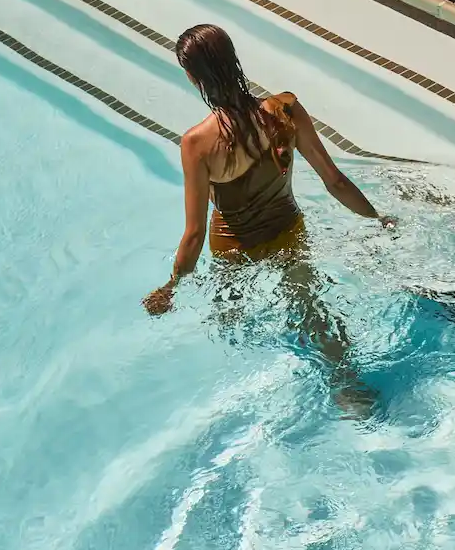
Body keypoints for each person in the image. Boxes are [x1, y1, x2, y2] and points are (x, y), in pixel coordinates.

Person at [143, 24, 391, 413]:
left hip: (234, 253)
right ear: (233, 60)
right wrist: (378, 218)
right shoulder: (285, 110)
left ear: (193, 77)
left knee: (231, 324)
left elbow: (193, 235)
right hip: (288, 233)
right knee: (310, 310)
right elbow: (335, 181)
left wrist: (171, 287)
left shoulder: (196, 144)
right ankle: (346, 386)